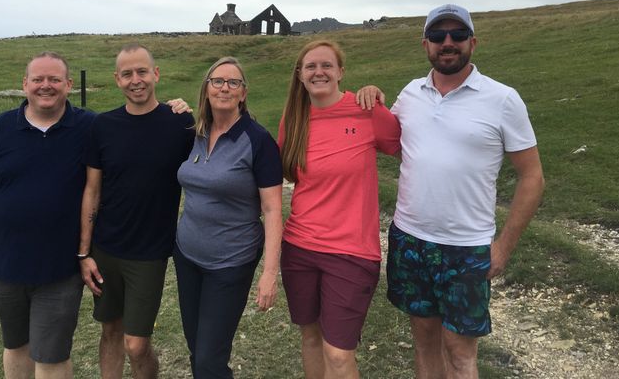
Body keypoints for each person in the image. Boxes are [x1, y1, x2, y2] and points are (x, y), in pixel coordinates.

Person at [385, 4, 545, 379]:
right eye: (439, 36)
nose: (448, 43)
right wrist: (371, 95)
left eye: (457, 35)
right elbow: (382, 136)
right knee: (424, 343)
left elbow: (532, 178)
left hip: (466, 246)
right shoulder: (410, 93)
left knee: (459, 352)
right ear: (425, 44)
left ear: (473, 42)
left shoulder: (503, 99)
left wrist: (503, 247)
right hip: (410, 239)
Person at [0, 51, 95, 379]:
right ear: (25, 84)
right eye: (38, 79)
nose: (46, 86)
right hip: (7, 268)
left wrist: (172, 109)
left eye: (54, 79)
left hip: (60, 270)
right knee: (15, 346)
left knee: (51, 356)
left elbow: (133, 127)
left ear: (69, 85)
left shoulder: (89, 127)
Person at [278, 40, 401, 379]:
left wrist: (377, 96)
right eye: (310, 66)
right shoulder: (294, 117)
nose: (319, 72)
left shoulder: (366, 110)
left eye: (326, 65)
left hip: (351, 252)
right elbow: (282, 169)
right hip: (299, 247)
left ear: (340, 71)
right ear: (300, 75)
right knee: (310, 337)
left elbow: (407, 148)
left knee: (338, 352)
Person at [78, 44, 195, 379]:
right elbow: (92, 190)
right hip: (106, 248)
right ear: (117, 80)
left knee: (136, 344)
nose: (136, 80)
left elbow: (209, 162)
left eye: (142, 71)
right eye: (127, 74)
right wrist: (84, 252)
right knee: (111, 332)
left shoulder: (180, 123)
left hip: (150, 253)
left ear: (156, 74)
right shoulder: (102, 126)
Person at [173, 56, 283, 379]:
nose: (225, 87)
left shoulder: (258, 141)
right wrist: (172, 107)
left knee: (209, 359)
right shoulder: (193, 132)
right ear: (206, 89)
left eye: (233, 82)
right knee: (197, 349)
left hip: (231, 263)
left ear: (243, 93)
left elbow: (273, 209)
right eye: (217, 81)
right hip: (187, 256)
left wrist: (270, 273)